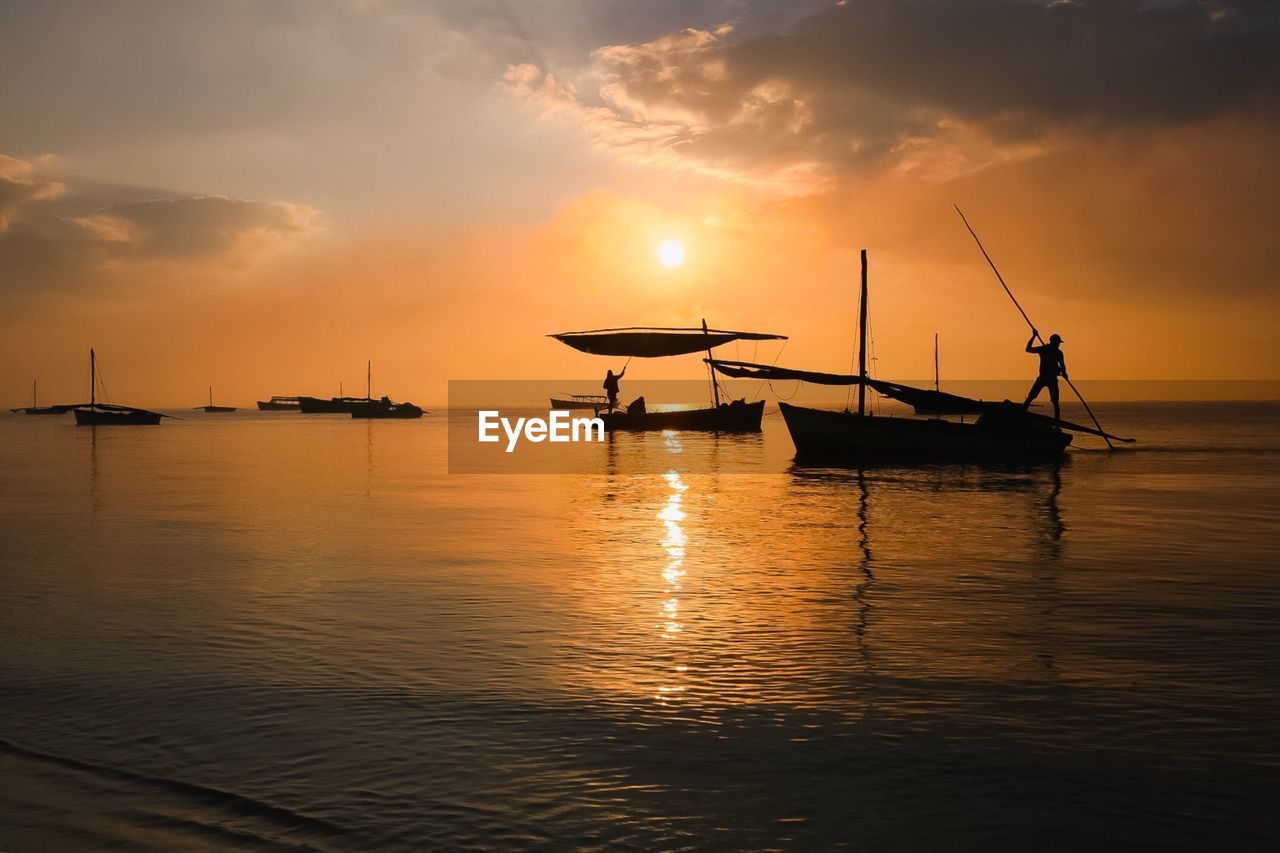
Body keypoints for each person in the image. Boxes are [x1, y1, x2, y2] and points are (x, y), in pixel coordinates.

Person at [1022, 330, 1067, 421]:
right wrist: (1034, 336)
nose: (1058, 344)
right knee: (1031, 397)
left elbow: (1062, 365)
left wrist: (1064, 373)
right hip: (1043, 378)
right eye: (1058, 343)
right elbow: (1028, 349)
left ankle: (1057, 422)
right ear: (1053, 342)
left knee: (1055, 402)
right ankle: (1021, 415)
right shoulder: (1045, 349)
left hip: (1051, 379)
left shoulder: (1056, 352)